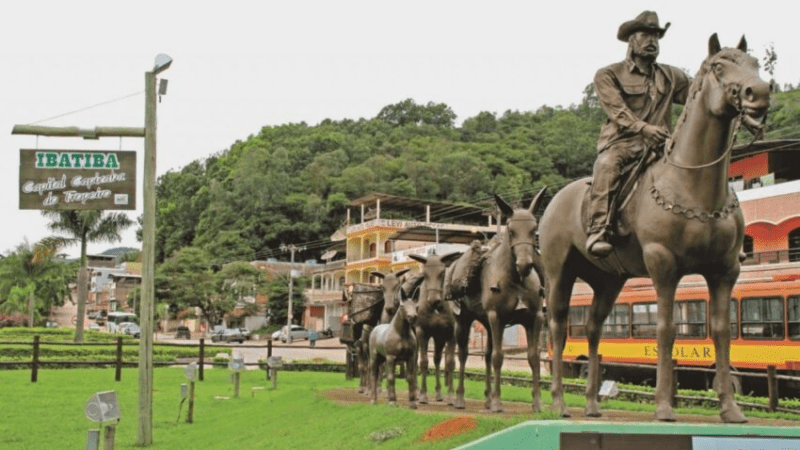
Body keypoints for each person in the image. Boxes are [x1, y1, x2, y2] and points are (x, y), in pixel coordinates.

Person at [586, 11, 691, 257]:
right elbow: (617, 111)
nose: (652, 40)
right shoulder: (608, 74)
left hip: (664, 146)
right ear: (631, 40)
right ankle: (598, 228)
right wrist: (643, 128)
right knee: (607, 165)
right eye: (645, 34)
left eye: (656, 35)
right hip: (623, 144)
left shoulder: (672, 75)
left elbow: (698, 97)